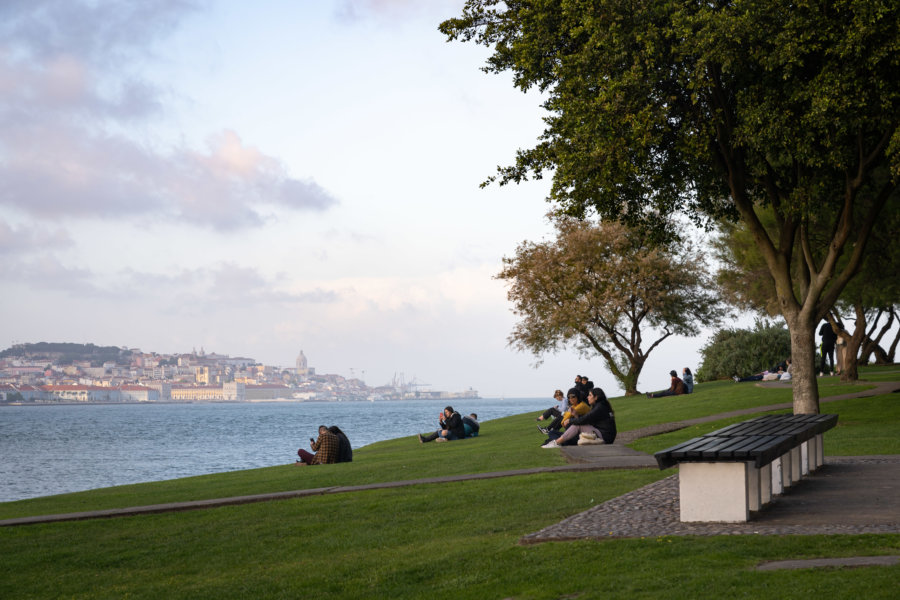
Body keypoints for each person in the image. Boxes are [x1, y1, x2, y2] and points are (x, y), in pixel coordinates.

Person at [542, 387, 616, 448]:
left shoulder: (599, 407)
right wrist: (575, 415)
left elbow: (584, 419)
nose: (587, 397)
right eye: (569, 397)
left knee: (576, 425)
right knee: (553, 432)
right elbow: (588, 421)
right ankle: (556, 441)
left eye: (590, 395)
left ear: (596, 397)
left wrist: (570, 420)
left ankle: (556, 443)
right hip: (603, 435)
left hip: (604, 437)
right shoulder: (600, 405)